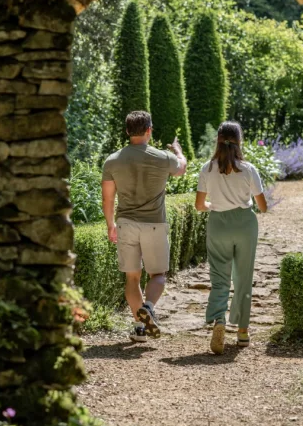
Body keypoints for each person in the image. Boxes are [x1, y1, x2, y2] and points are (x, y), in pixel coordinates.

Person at [102, 111, 187, 342]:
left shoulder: (113, 160)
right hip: (154, 224)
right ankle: (148, 308)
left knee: (132, 278)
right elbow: (181, 169)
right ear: (149, 130)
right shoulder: (162, 157)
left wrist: (111, 225)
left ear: (128, 131)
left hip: (126, 224)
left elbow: (108, 199)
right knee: (158, 274)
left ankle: (140, 328)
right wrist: (178, 151)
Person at [195, 121, 268, 355]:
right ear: (239, 141)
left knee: (219, 277)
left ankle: (219, 321)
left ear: (218, 139)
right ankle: (243, 332)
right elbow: (263, 206)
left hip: (218, 223)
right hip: (245, 224)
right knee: (243, 277)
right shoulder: (248, 169)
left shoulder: (207, 168)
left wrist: (215, 205)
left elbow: (199, 205)